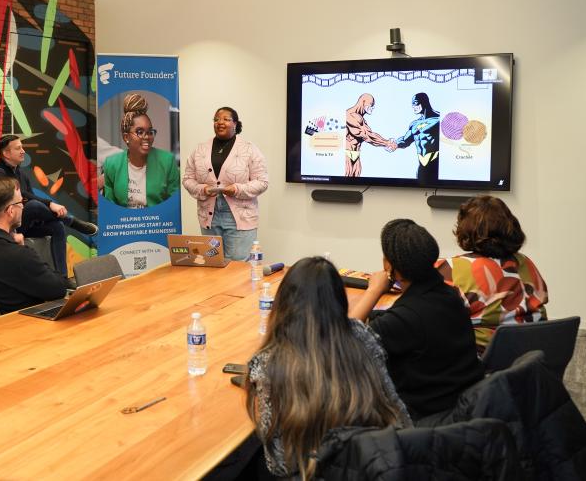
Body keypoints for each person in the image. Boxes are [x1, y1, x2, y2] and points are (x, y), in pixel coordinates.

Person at [246, 257, 411, 479]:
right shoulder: (361, 334)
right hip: (375, 465)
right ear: (339, 300)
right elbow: (396, 408)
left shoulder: (268, 362)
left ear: (282, 302)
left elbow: (279, 464)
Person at [349, 219, 484, 423]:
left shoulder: (402, 319)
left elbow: (345, 341)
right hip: (463, 409)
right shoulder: (451, 296)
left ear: (389, 264)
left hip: (421, 421)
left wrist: (374, 290)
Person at [436, 195, 548, 353]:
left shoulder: (451, 269)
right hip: (529, 358)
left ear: (465, 229)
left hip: (478, 361)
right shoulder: (525, 263)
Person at [0, 177, 70, 314]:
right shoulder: (19, 255)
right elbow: (58, 289)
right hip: (23, 322)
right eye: (21, 202)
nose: (23, 207)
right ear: (10, 211)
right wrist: (23, 249)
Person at [0, 134, 97, 276]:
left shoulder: (21, 173)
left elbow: (29, 196)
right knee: (34, 206)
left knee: (57, 226)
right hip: (8, 226)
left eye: (22, 147)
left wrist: (44, 215)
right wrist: (50, 203)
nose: (23, 151)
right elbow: (22, 195)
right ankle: (71, 221)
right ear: (6, 153)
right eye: (18, 148)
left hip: (23, 223)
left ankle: (62, 277)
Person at [183, 107, 268, 261]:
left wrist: (236, 189)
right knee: (213, 262)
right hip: (210, 216)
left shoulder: (249, 149)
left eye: (226, 119)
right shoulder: (200, 149)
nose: (220, 122)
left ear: (235, 123)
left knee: (237, 265)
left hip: (239, 217)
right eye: (216, 119)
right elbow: (187, 179)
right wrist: (203, 189)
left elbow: (262, 182)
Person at [102, 93, 180, 208]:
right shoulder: (111, 164)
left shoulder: (167, 161)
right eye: (139, 132)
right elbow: (110, 206)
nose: (147, 137)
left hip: (156, 218)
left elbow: (174, 205)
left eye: (150, 132)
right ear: (126, 137)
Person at [344, 93, 396, 177]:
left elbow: (370, 134)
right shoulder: (350, 115)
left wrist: (386, 142)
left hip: (355, 154)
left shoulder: (360, 118)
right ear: (364, 103)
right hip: (347, 155)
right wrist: (387, 143)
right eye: (371, 105)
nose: (373, 108)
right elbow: (367, 135)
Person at [394, 92, 440, 184]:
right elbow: (405, 141)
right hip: (422, 166)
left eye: (415, 103)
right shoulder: (414, 124)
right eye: (412, 104)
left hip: (435, 164)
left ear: (424, 102)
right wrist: (390, 144)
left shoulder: (440, 119)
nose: (413, 107)